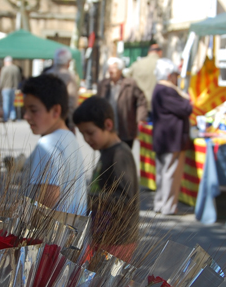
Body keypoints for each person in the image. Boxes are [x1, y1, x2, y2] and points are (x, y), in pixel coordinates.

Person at [73, 96, 140, 261]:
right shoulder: (106, 150)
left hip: (118, 239)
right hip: (103, 234)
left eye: (90, 133)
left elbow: (125, 199)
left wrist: (89, 198)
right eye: (83, 134)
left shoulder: (120, 154)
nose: (87, 139)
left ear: (108, 125)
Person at [22, 74, 86, 216]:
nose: (26, 116)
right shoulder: (69, 136)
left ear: (56, 111)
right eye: (25, 110)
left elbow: (47, 199)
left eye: (33, 110)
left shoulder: (47, 145)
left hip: (50, 236)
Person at [151, 58, 192, 216]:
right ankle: (167, 206)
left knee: (163, 173)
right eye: (175, 74)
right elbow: (185, 108)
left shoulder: (159, 88)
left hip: (164, 138)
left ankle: (161, 204)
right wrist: (185, 97)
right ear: (169, 75)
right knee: (169, 174)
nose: (177, 78)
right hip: (171, 139)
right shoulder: (167, 90)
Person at [97, 57, 148, 149]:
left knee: (123, 155)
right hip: (106, 129)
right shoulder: (103, 84)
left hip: (125, 128)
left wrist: (140, 118)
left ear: (120, 70)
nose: (110, 70)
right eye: (109, 68)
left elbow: (142, 101)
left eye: (114, 68)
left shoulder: (130, 83)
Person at [44, 48, 79, 132]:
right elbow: (72, 100)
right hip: (63, 119)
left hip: (47, 118)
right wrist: (71, 122)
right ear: (68, 62)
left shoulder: (47, 74)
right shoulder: (70, 76)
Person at [0, 56, 21, 122]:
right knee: (12, 103)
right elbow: (19, 78)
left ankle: (5, 117)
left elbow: (1, 79)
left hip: (6, 88)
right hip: (14, 88)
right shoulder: (16, 68)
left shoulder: (4, 69)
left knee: (6, 103)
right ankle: (13, 116)